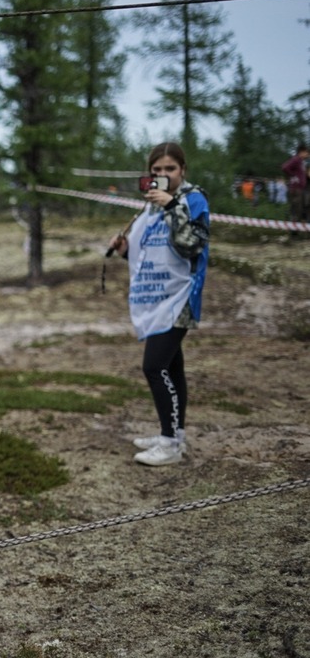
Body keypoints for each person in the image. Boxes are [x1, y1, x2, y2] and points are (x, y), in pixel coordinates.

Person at [108, 142, 209, 467]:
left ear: (183, 170)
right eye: (157, 171)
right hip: (155, 297)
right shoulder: (150, 206)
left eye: (170, 169)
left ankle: (169, 444)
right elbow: (152, 252)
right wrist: (125, 250)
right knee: (172, 367)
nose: (163, 176)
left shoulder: (192, 200)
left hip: (180, 296)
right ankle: (174, 434)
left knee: (154, 366)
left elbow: (190, 246)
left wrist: (171, 206)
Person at [281, 143, 309, 227]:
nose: (307, 155)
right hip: (296, 189)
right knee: (297, 210)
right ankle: (294, 233)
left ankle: (296, 231)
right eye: (306, 152)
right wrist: (293, 175)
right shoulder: (296, 159)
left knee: (299, 209)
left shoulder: (301, 161)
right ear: (301, 152)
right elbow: (285, 167)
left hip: (299, 189)